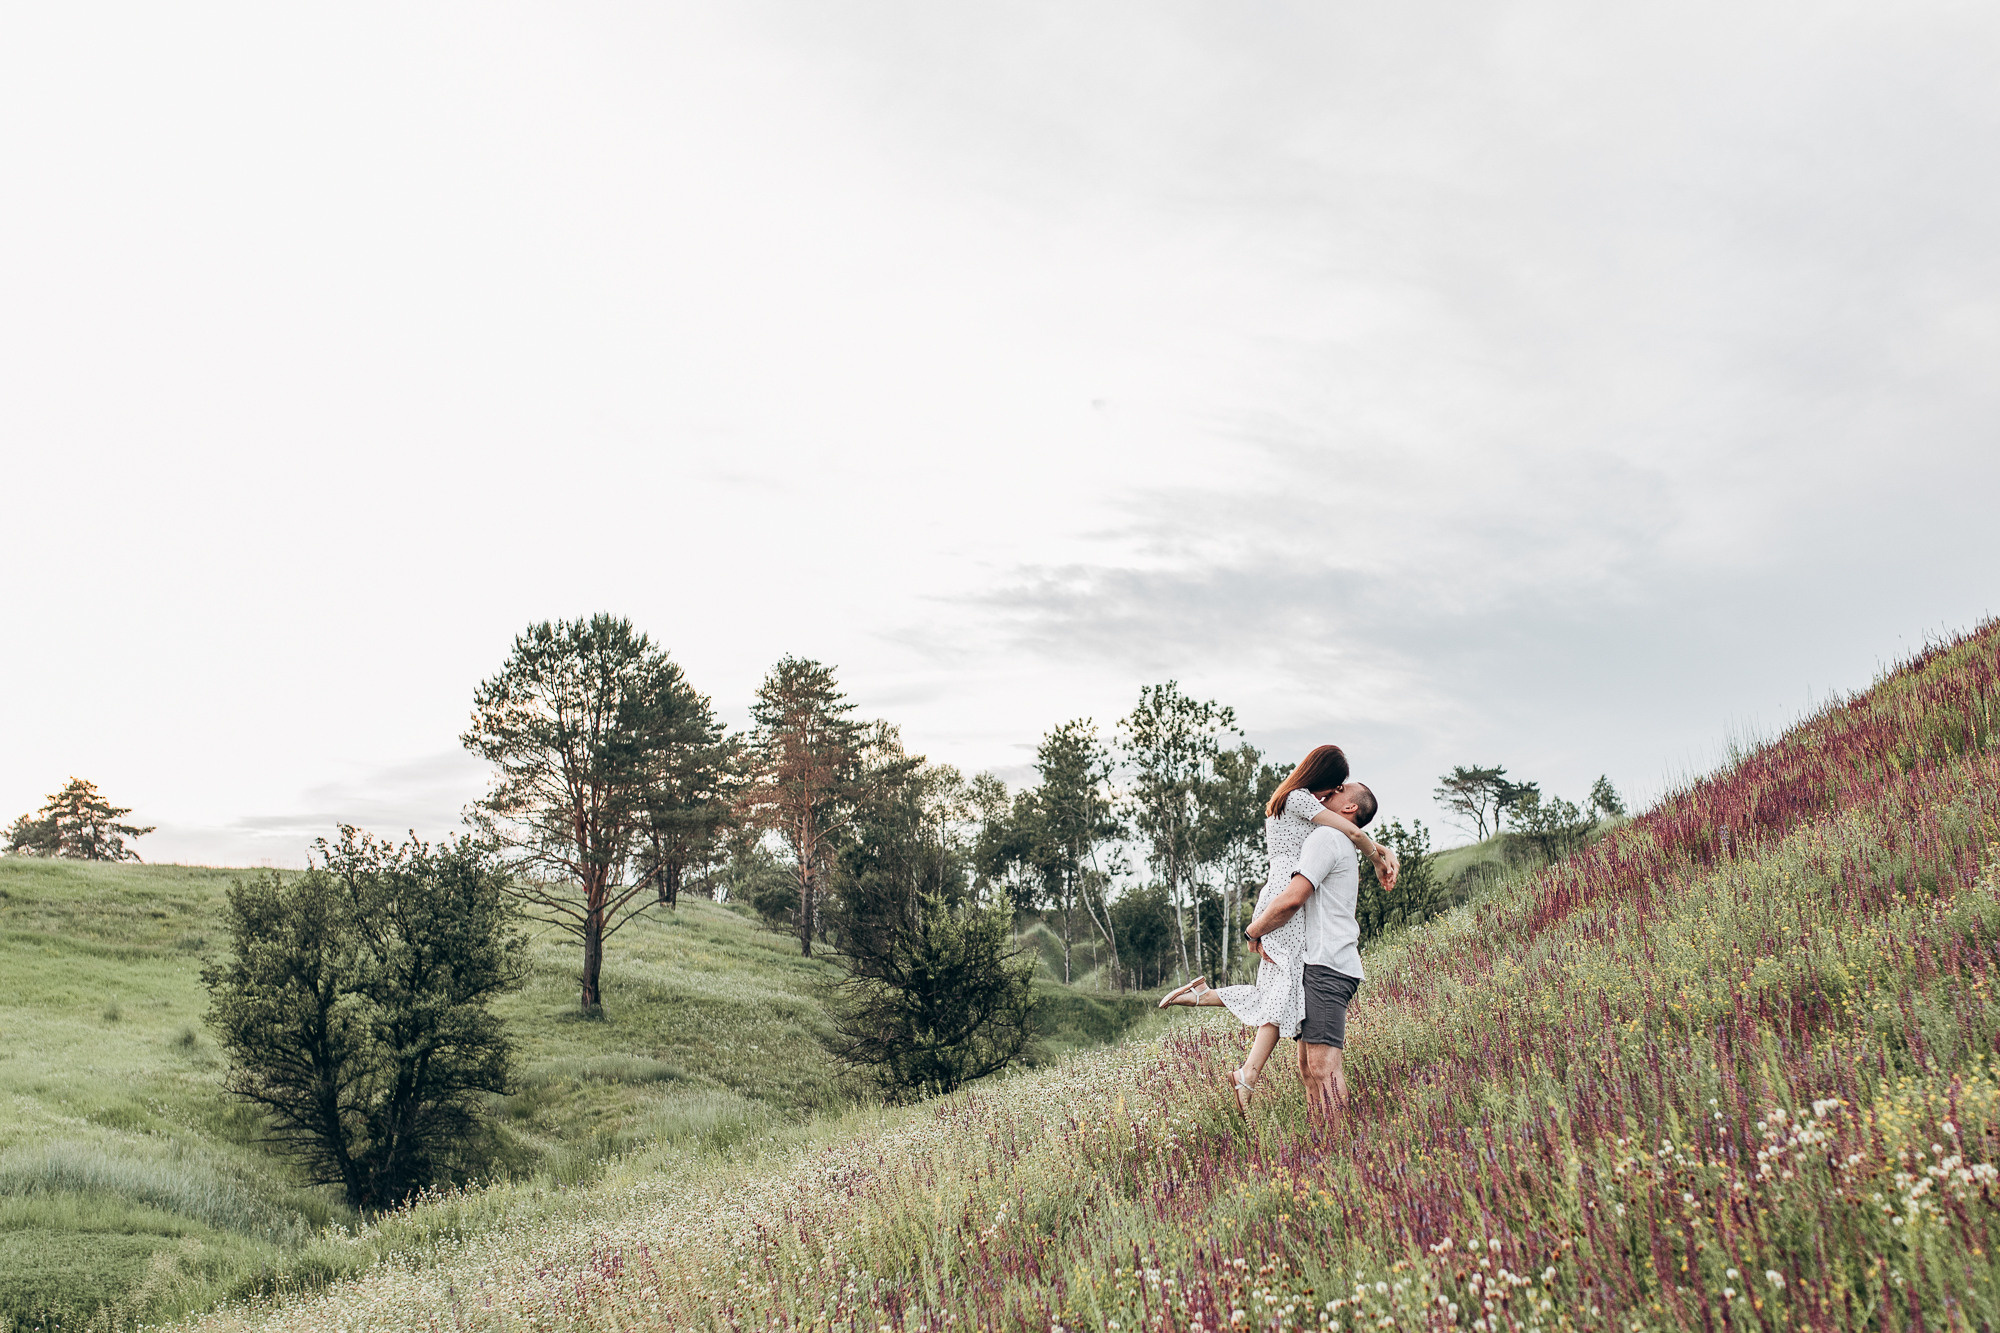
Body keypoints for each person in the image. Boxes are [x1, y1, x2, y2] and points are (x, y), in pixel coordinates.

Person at [1156, 745, 1395, 1115]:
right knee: (1281, 990)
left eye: (1339, 791)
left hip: (1285, 896)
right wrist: (1378, 856)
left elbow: (1349, 829)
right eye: (1333, 786)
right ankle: (1246, 1072)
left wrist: (1382, 850)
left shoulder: (1310, 815)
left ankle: (1234, 1049)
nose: (1332, 793)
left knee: (1280, 990)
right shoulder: (1302, 801)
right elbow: (1350, 830)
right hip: (1284, 894)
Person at [1242, 788, 1378, 1123]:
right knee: (1307, 1066)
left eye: (1341, 790)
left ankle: (1344, 1146)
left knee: (1322, 1066)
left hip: (1327, 964)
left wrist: (1254, 930)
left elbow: (1293, 898)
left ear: (1348, 806)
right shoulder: (1330, 837)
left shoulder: (1327, 839)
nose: (1332, 791)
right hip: (1317, 964)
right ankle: (1323, 1144)